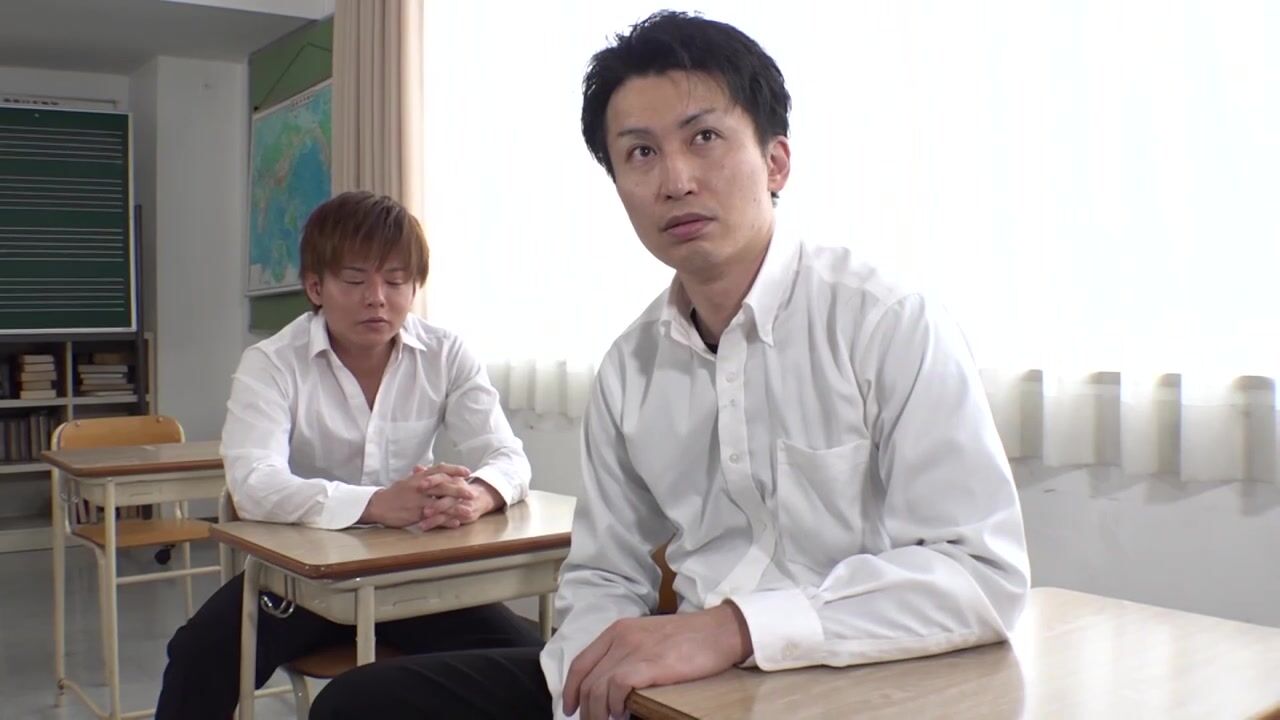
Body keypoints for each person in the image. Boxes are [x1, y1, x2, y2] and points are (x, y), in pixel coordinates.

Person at [311, 11, 1029, 720]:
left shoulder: (885, 322)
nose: (675, 180)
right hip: (675, 687)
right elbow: (605, 575)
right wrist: (583, 701)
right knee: (361, 704)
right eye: (641, 153)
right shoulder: (631, 368)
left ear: (776, 161)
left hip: (849, 677)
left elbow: (980, 575)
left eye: (704, 138)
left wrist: (735, 629)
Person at [154, 191, 541, 720]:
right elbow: (253, 483)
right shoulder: (272, 363)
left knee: (536, 663)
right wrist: (377, 503)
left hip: (414, 577)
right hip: (301, 581)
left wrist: (479, 494)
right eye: (355, 281)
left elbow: (508, 456)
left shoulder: (446, 354)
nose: (377, 299)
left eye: (396, 281)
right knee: (197, 657)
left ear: (415, 286)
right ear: (316, 287)